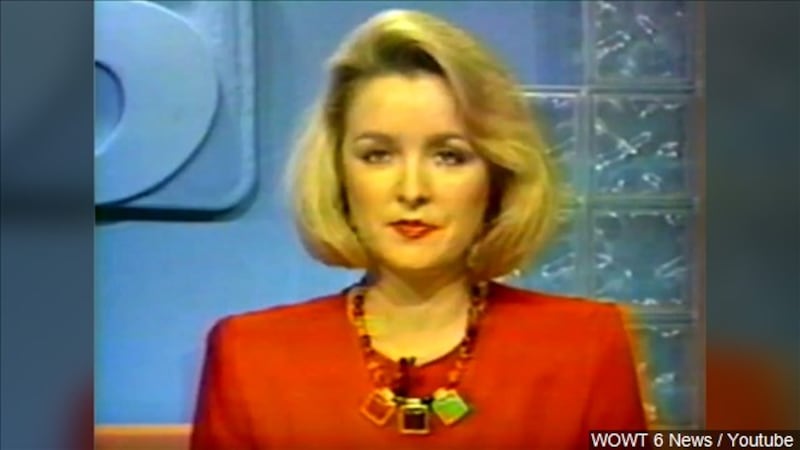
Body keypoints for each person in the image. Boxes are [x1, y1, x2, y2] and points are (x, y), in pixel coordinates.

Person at [190, 9, 648, 450]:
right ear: (339, 173)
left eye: (449, 156)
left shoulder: (587, 345)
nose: (412, 190)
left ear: (497, 175)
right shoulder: (251, 356)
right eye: (378, 155)